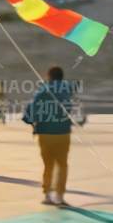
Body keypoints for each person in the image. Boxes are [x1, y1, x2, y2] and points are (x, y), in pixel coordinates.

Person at [23, 66, 74, 206]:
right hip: (63, 132)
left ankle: (47, 195)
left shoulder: (42, 90)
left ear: (49, 76)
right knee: (62, 165)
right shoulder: (68, 89)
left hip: (45, 133)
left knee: (48, 165)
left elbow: (30, 111)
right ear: (62, 77)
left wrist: (30, 122)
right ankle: (60, 196)